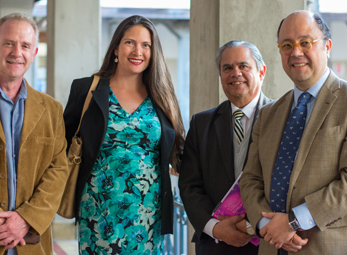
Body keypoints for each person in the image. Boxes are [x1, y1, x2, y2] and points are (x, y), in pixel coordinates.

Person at [63, 15, 185, 254]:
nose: (137, 51)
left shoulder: (163, 97)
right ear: (116, 48)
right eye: (130, 42)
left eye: (146, 45)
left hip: (149, 214)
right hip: (98, 211)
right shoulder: (86, 90)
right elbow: (62, 147)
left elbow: (179, 152)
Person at [240, 10, 347, 255]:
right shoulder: (268, 113)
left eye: (305, 42)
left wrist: (293, 221)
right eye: (287, 45)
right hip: (272, 246)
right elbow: (250, 180)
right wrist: (269, 226)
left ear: (327, 46)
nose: (296, 52)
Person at [0, 13, 69, 255]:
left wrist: (26, 218)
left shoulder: (51, 110)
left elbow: (59, 169)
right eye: (9, 43)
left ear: (34, 52)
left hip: (32, 244)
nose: (17, 52)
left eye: (25, 45)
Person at [179, 40, 271, 255]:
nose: (235, 73)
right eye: (227, 68)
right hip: (215, 244)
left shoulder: (282, 119)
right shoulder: (201, 123)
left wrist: (251, 225)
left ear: (261, 71)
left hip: (267, 242)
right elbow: (189, 185)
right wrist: (216, 228)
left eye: (243, 66)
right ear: (221, 76)